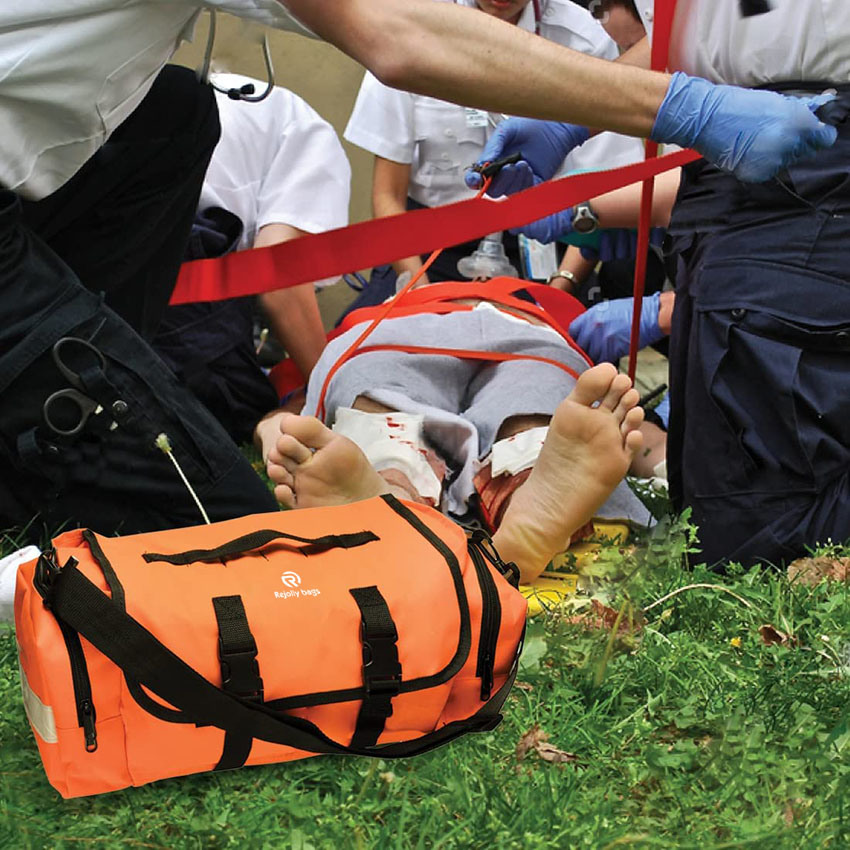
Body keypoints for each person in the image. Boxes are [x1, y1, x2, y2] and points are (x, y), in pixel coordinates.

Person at [0, 0, 838, 539]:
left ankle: (477, 471)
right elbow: (400, 35)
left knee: (522, 400)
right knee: (293, 477)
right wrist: (679, 107)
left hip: (521, 315)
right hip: (403, 311)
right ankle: (422, 479)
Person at [471, 0, 850, 567]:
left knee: (758, 530)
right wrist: (570, 117)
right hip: (730, 181)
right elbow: (704, 32)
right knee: (714, 489)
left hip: (803, 163)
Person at [254, 279, 670, 580]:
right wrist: (660, 458)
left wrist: (275, 434)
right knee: (537, 408)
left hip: (387, 330)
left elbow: (285, 413)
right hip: (531, 330)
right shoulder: (555, 303)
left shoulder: (372, 307)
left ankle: (392, 491)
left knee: (381, 405)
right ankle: (524, 481)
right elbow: (629, 437)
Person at [343, 0, 643, 299]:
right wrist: (424, 296)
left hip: (544, 252)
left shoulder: (583, 38)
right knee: (377, 341)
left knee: (558, 341)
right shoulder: (410, 30)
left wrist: (560, 287)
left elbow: (602, 191)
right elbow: (387, 196)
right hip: (423, 254)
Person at [153, 73, 350, 442]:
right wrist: (334, 394)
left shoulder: (217, 96)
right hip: (176, 268)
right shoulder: (311, 137)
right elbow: (281, 283)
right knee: (240, 406)